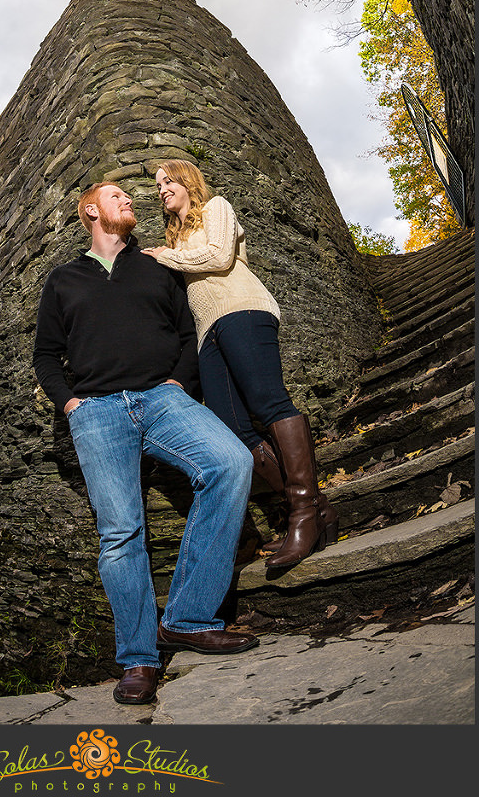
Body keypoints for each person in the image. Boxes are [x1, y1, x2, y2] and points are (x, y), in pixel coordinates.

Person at [33, 180, 259, 706]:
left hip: (162, 398)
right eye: (117, 197)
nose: (130, 201)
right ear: (91, 209)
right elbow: (46, 355)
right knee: (120, 534)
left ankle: (187, 617)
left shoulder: (157, 265)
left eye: (130, 198)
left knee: (230, 462)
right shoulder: (64, 280)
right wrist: (70, 404)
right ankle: (138, 660)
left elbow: (188, 333)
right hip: (97, 412)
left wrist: (180, 382)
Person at [143, 160, 339, 577]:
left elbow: (217, 256)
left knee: (269, 403)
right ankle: (318, 510)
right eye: (157, 185)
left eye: (167, 181)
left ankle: (302, 513)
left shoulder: (216, 208)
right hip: (207, 330)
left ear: (187, 181)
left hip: (243, 311)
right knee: (232, 425)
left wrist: (167, 257)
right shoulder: (174, 239)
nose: (160, 189)